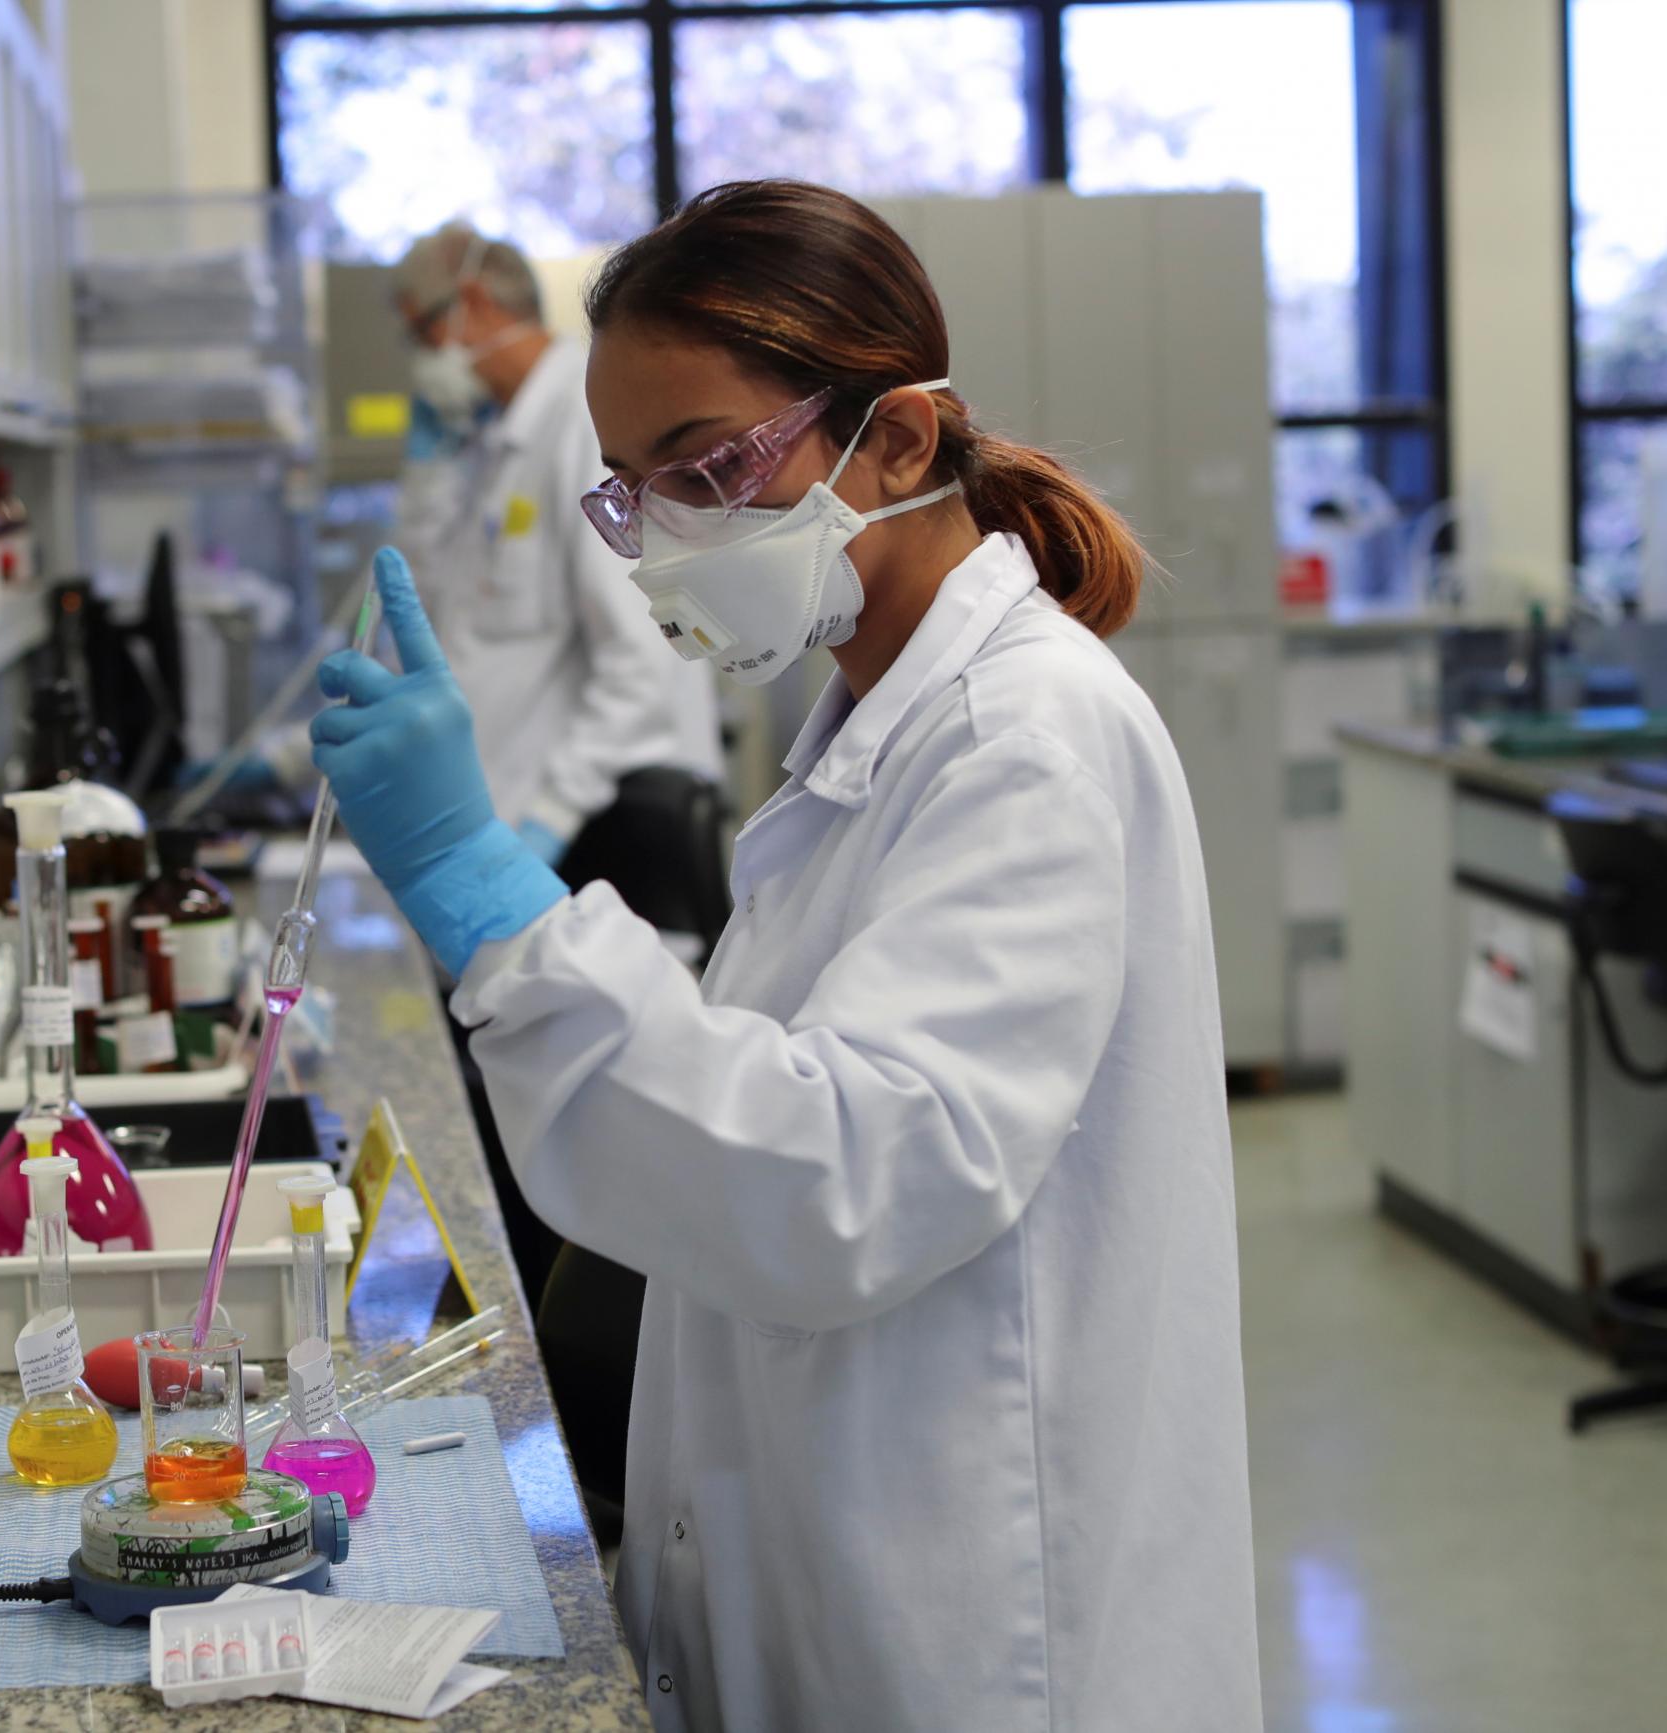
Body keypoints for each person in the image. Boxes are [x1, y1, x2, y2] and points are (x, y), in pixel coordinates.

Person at [307, 181, 1260, 1732]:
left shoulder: (1028, 740)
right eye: (632, 489)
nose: (668, 533)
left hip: (969, 1617)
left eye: (709, 465)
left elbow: (839, 1176)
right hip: (836, 1557)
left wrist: (489, 890)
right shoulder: (867, 729)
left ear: (894, 439)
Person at [195, 221, 721, 869]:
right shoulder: (488, 443)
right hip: (514, 826)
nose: (421, 357)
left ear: (471, 303)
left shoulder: (585, 424)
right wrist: (428, 475)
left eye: (422, 333)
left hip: (593, 835)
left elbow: (643, 663)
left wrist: (549, 820)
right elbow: (426, 624)